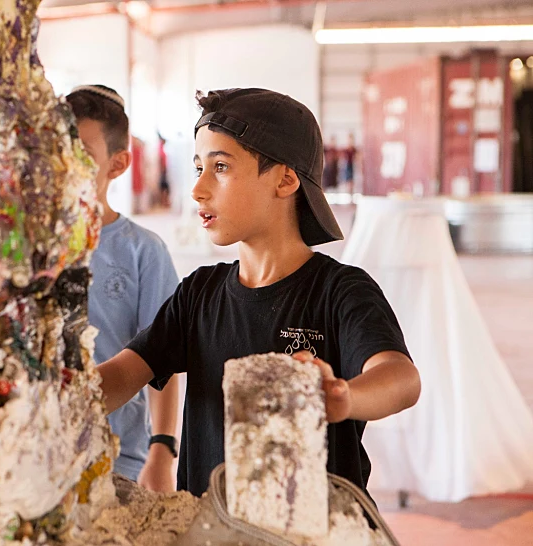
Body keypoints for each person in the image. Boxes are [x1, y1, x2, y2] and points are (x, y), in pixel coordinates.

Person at [96, 88, 421, 497]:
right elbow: (125, 373)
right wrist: (56, 398)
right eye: (199, 167)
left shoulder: (340, 291)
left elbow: (401, 378)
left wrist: (343, 397)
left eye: (221, 167)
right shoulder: (199, 293)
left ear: (285, 179)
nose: (198, 189)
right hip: (210, 532)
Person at [66, 85, 181, 492]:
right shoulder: (26, 247)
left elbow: (164, 359)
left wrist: (162, 450)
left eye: (82, 152)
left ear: (117, 165)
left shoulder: (143, 253)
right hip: (34, 452)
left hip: (116, 458)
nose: (65, 162)